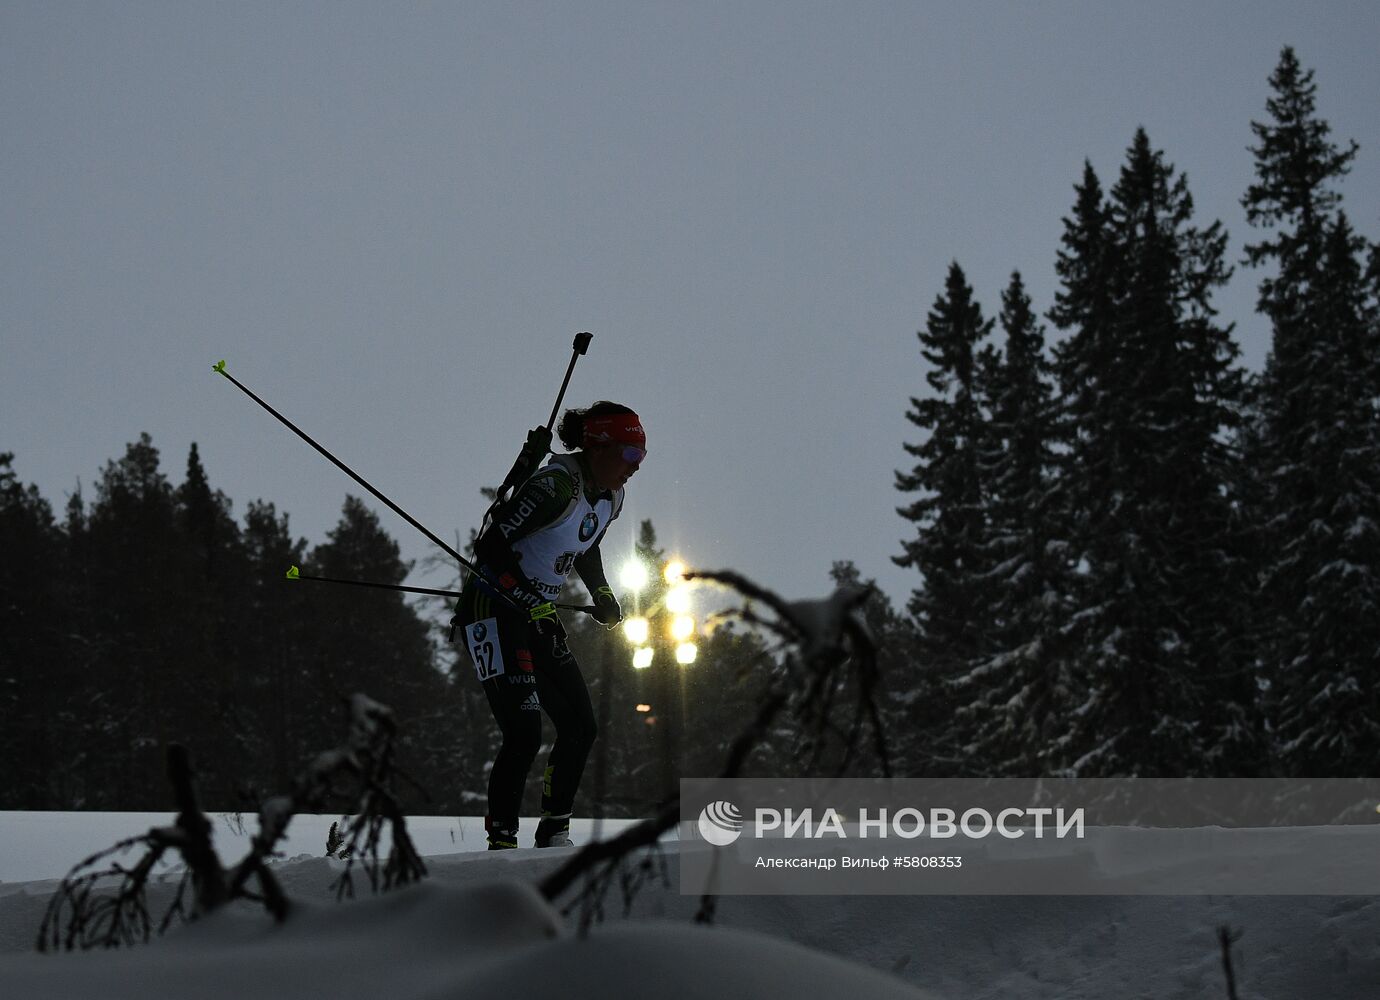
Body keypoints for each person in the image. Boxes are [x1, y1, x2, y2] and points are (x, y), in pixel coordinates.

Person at [452, 402, 645, 849]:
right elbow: (491, 548)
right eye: (629, 454)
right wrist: (526, 600)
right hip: (491, 607)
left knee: (580, 725)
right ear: (598, 447)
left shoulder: (613, 494)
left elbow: (586, 542)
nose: (635, 467)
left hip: (535, 609)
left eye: (642, 456)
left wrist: (601, 593)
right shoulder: (555, 485)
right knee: (523, 733)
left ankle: (554, 831)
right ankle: (502, 841)